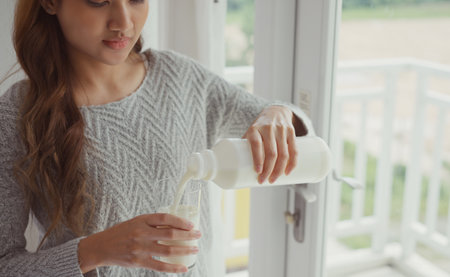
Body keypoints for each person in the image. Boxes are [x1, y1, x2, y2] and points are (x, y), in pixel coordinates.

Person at [0, 0, 314, 276]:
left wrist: (278, 114)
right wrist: (95, 250)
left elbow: (298, 130)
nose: (123, 22)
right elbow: (5, 264)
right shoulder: (18, 114)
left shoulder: (180, 77)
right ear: (50, 2)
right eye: (98, 1)